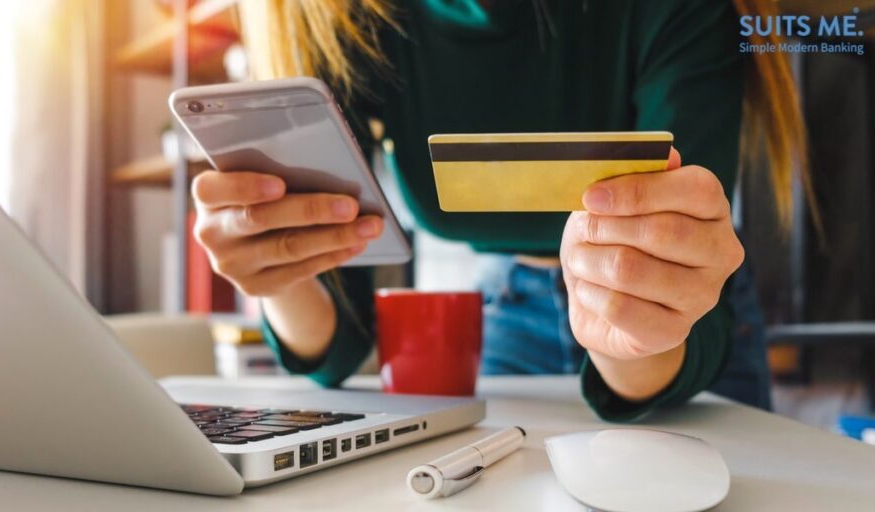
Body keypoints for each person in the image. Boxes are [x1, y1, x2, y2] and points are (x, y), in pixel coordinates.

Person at [190, 0, 810, 421]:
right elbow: (340, 348)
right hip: (508, 312)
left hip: (691, 314)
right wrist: (281, 270)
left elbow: (681, 286)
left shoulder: (681, 11)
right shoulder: (345, 19)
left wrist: (631, 333)